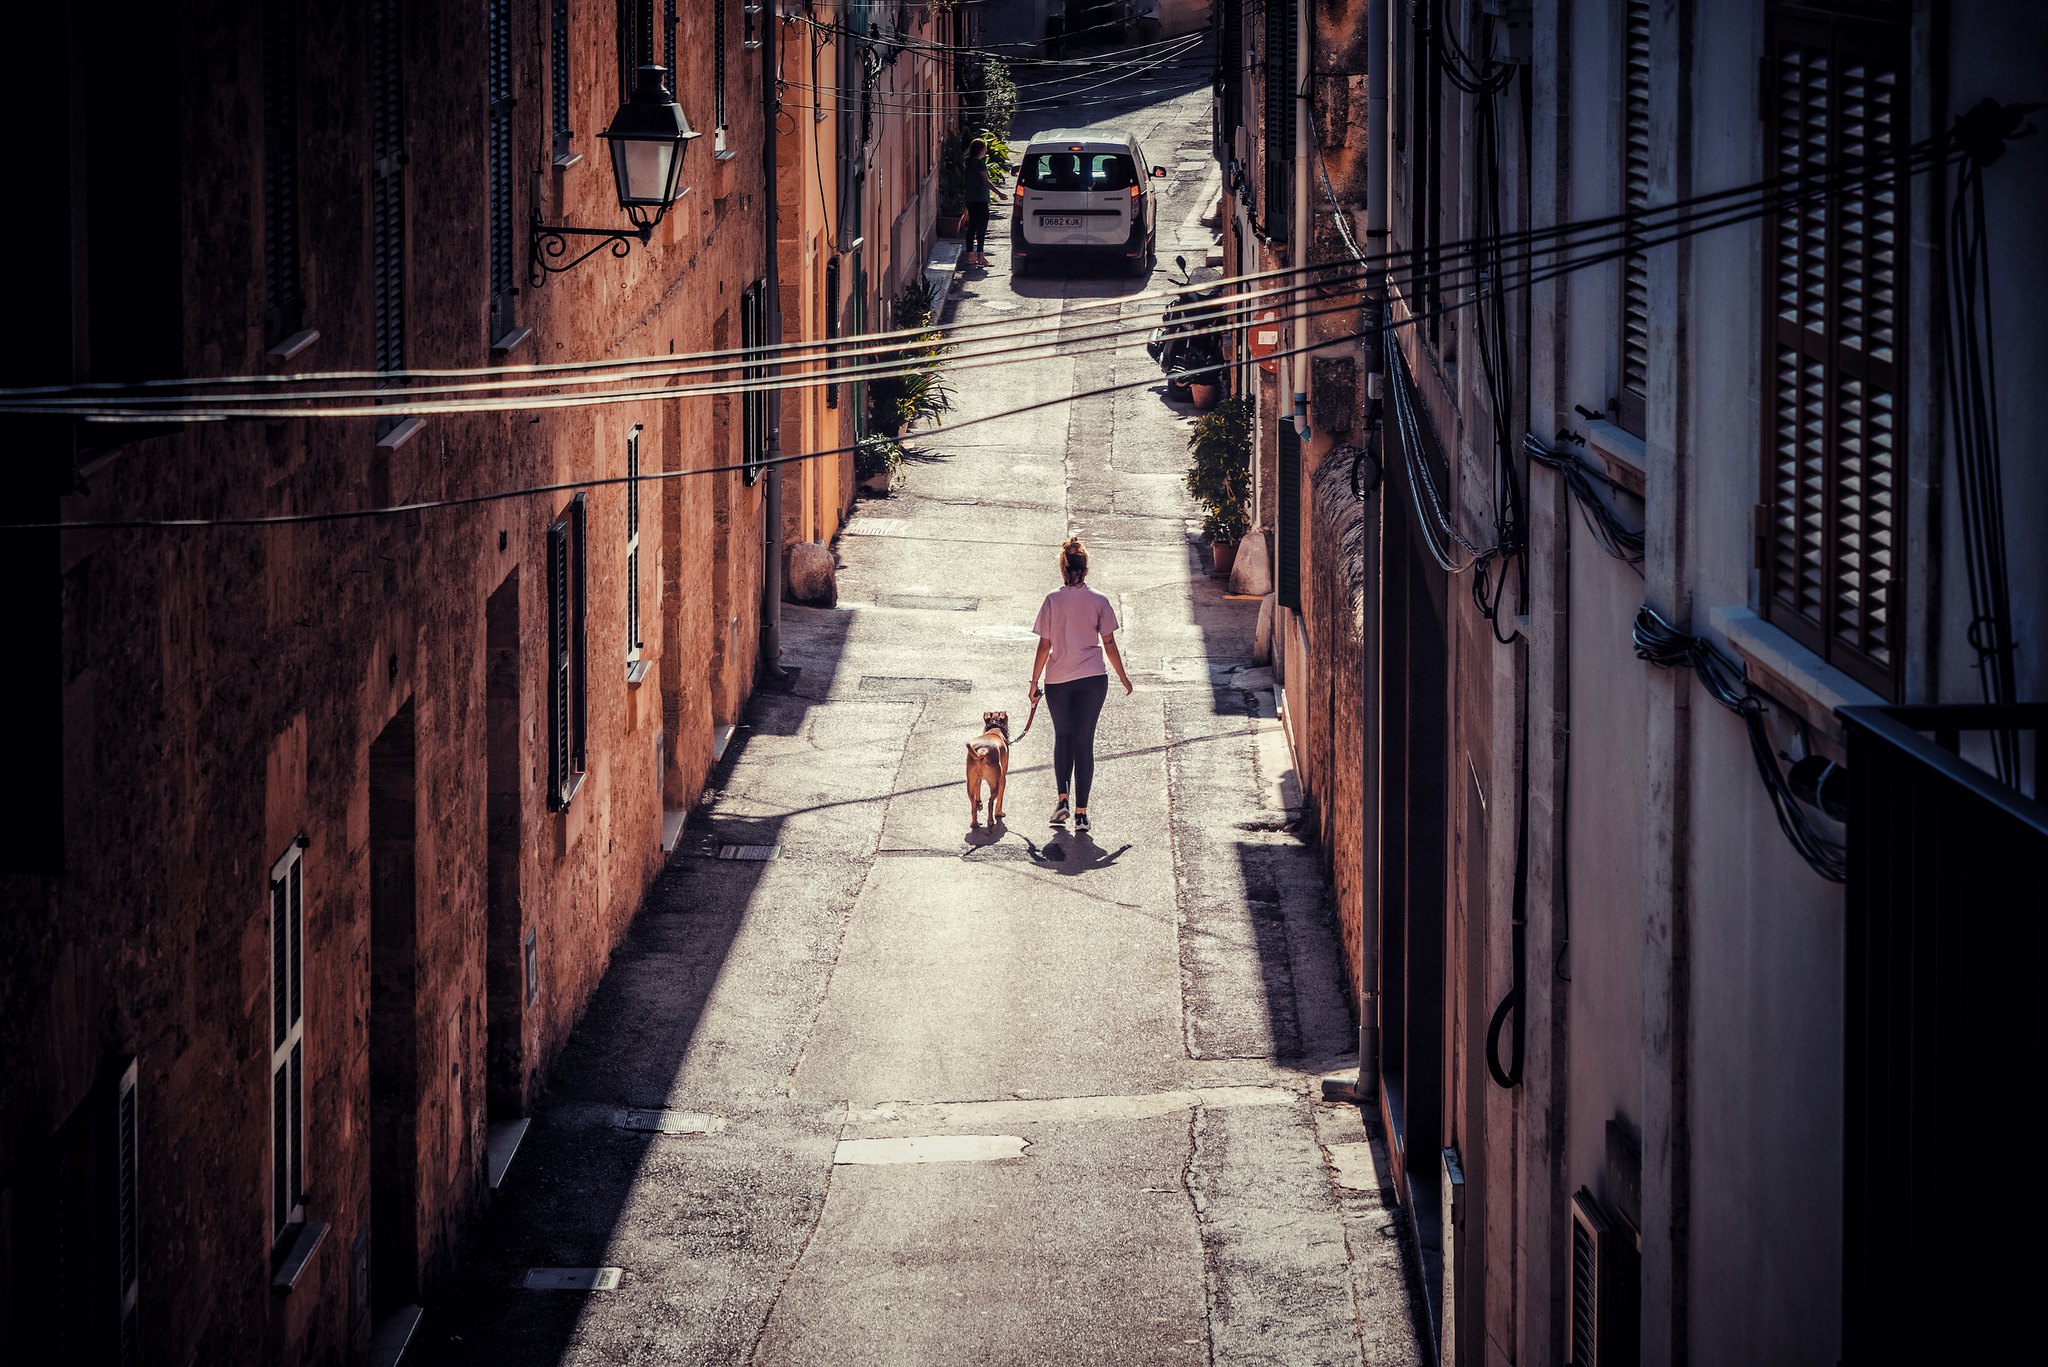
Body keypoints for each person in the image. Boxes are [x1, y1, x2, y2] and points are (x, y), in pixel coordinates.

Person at [1028, 536, 1133, 834]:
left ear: (1063, 569)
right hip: (1092, 680)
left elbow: (1044, 645)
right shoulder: (1099, 601)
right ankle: (1082, 814)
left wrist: (1034, 683)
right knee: (1084, 741)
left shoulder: (1052, 600)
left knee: (1063, 737)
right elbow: (1109, 643)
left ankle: (1062, 800)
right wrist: (1123, 677)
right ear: (1086, 570)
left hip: (1058, 680)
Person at [965, 138, 997, 268]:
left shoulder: (967, 162)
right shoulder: (980, 164)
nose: (986, 151)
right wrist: (999, 193)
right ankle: (980, 256)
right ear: (980, 150)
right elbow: (985, 181)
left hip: (970, 199)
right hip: (981, 199)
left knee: (972, 226)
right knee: (981, 228)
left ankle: (970, 255)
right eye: (985, 148)